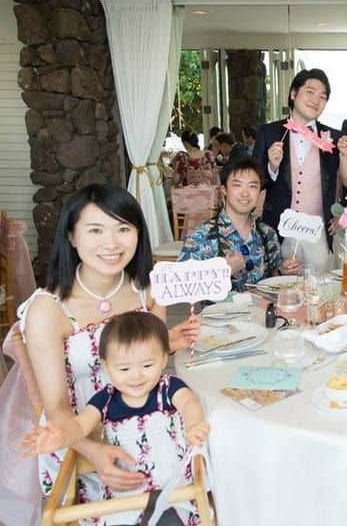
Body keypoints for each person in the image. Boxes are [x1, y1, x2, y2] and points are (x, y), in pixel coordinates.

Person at [11, 184, 198, 515]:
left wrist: (167, 343)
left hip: (148, 421)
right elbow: (56, 407)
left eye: (123, 229)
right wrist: (94, 451)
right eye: (95, 230)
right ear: (72, 236)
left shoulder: (147, 290)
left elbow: (142, 363)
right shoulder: (48, 309)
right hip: (81, 435)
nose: (111, 244)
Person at [22, 312, 209, 526]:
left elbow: (189, 403)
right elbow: (80, 426)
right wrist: (61, 437)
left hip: (172, 494)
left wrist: (194, 425)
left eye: (147, 366)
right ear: (106, 366)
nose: (136, 376)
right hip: (125, 500)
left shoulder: (168, 387)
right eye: (124, 369)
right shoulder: (106, 399)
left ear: (164, 359)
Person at [253, 68, 341, 271]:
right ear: (293, 94)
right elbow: (255, 181)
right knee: (281, 286)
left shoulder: (333, 137)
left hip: (318, 232)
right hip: (279, 231)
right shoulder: (269, 132)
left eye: (323, 96)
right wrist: (271, 167)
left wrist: (341, 213)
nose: (316, 100)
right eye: (310, 92)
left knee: (319, 285)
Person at [179, 157, 297, 291]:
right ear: (224, 190)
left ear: (260, 192)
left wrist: (284, 270)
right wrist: (223, 271)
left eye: (252, 186)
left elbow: (275, 279)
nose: (245, 193)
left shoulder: (267, 234)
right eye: (237, 185)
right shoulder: (202, 236)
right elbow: (180, 288)